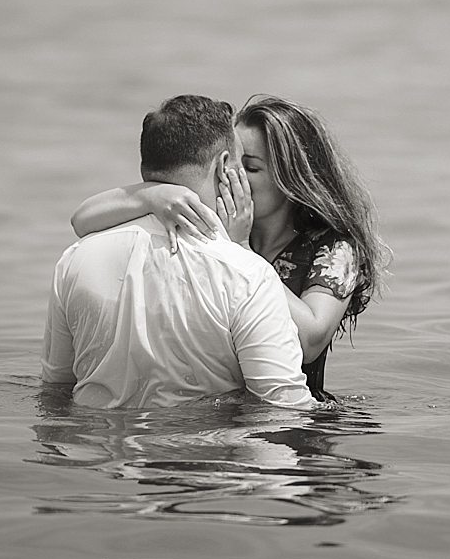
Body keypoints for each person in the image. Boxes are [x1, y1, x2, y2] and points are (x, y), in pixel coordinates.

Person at [71, 95, 390, 400]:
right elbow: (83, 220)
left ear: (290, 178)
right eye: (231, 162)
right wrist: (148, 196)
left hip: (292, 417)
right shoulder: (211, 222)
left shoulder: (333, 246)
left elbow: (311, 339)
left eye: (249, 168)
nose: (230, 176)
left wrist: (240, 248)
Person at [42, 94, 316, 411]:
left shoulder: (76, 260)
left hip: (101, 454)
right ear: (223, 165)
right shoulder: (246, 273)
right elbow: (282, 407)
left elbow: (56, 390)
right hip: (203, 453)